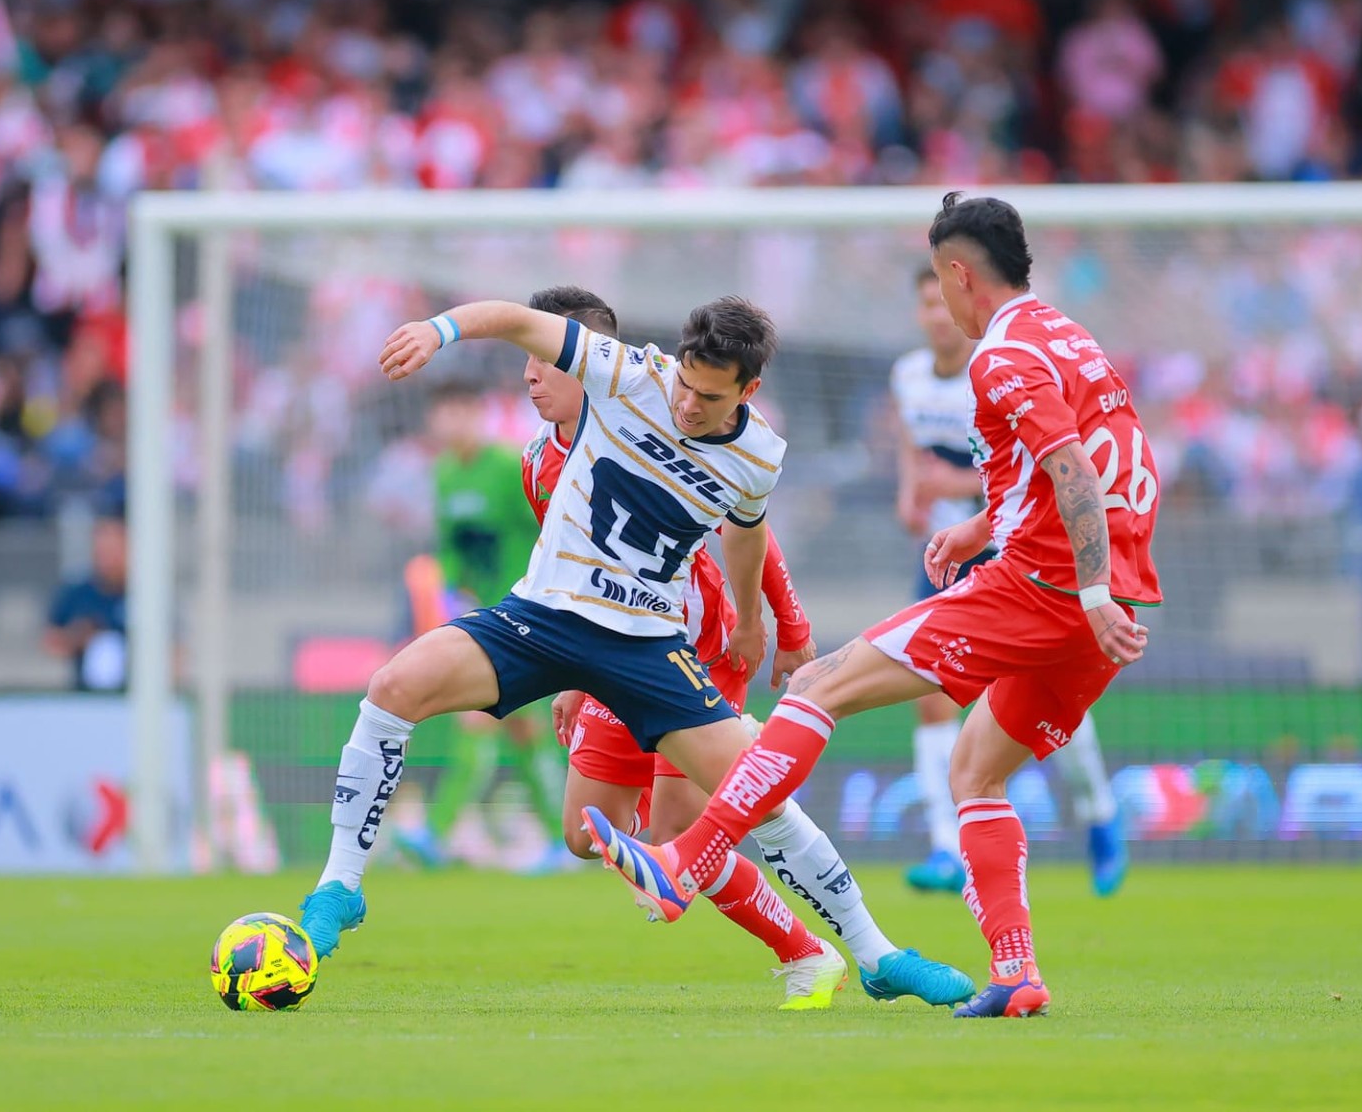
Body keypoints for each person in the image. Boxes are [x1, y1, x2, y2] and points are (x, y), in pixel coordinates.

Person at [296, 294, 970, 1011]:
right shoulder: (628, 375)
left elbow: (747, 534)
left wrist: (758, 619)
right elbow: (517, 318)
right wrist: (440, 331)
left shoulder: (759, 455)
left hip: (648, 643)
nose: (687, 405)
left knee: (759, 793)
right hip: (543, 617)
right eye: (685, 384)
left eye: (709, 398)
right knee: (394, 688)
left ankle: (877, 955)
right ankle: (341, 885)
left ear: (748, 391)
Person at [586, 194, 1162, 1019]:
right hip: (1109, 593)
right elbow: (1097, 462)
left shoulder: (1001, 356)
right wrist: (984, 528)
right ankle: (1016, 971)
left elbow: (1071, 467)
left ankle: (689, 859)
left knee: (816, 684)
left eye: (937, 278)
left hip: (1048, 585)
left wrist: (1088, 586)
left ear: (958, 274)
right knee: (975, 771)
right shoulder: (1069, 337)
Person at [522, 285, 971, 1008]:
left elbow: (748, 527)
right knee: (587, 832)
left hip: (693, 646)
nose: (530, 373)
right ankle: (810, 950)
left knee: (732, 813)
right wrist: (572, 674)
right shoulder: (537, 463)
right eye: (527, 358)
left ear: (588, 360)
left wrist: (782, 625)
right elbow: (567, 570)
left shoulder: (663, 415)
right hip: (608, 650)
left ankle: (871, 952)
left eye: (545, 358)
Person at [892, 265, 1128, 897]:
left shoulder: (997, 369)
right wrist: (911, 493)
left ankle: (1099, 812)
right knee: (930, 697)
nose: (937, 315)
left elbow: (1026, 467)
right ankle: (945, 847)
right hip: (945, 557)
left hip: (1014, 551)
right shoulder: (908, 376)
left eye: (942, 301)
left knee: (1041, 700)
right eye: (926, 304)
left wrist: (957, 487)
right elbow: (913, 449)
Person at [394, 382, 568, 873]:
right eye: (443, 412)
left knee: (484, 720)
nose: (451, 422)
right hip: (482, 617)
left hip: (525, 611)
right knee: (521, 729)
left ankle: (438, 833)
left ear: (478, 414)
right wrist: (449, 589)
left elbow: (548, 527)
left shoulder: (509, 468)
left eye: (461, 411)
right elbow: (451, 547)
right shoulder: (446, 474)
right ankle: (561, 839)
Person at [45, 513, 128, 691]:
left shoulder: (147, 596)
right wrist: (77, 637)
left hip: (133, 693)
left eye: (113, 550)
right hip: (85, 694)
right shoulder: (76, 593)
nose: (107, 558)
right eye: (102, 550)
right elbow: (51, 641)